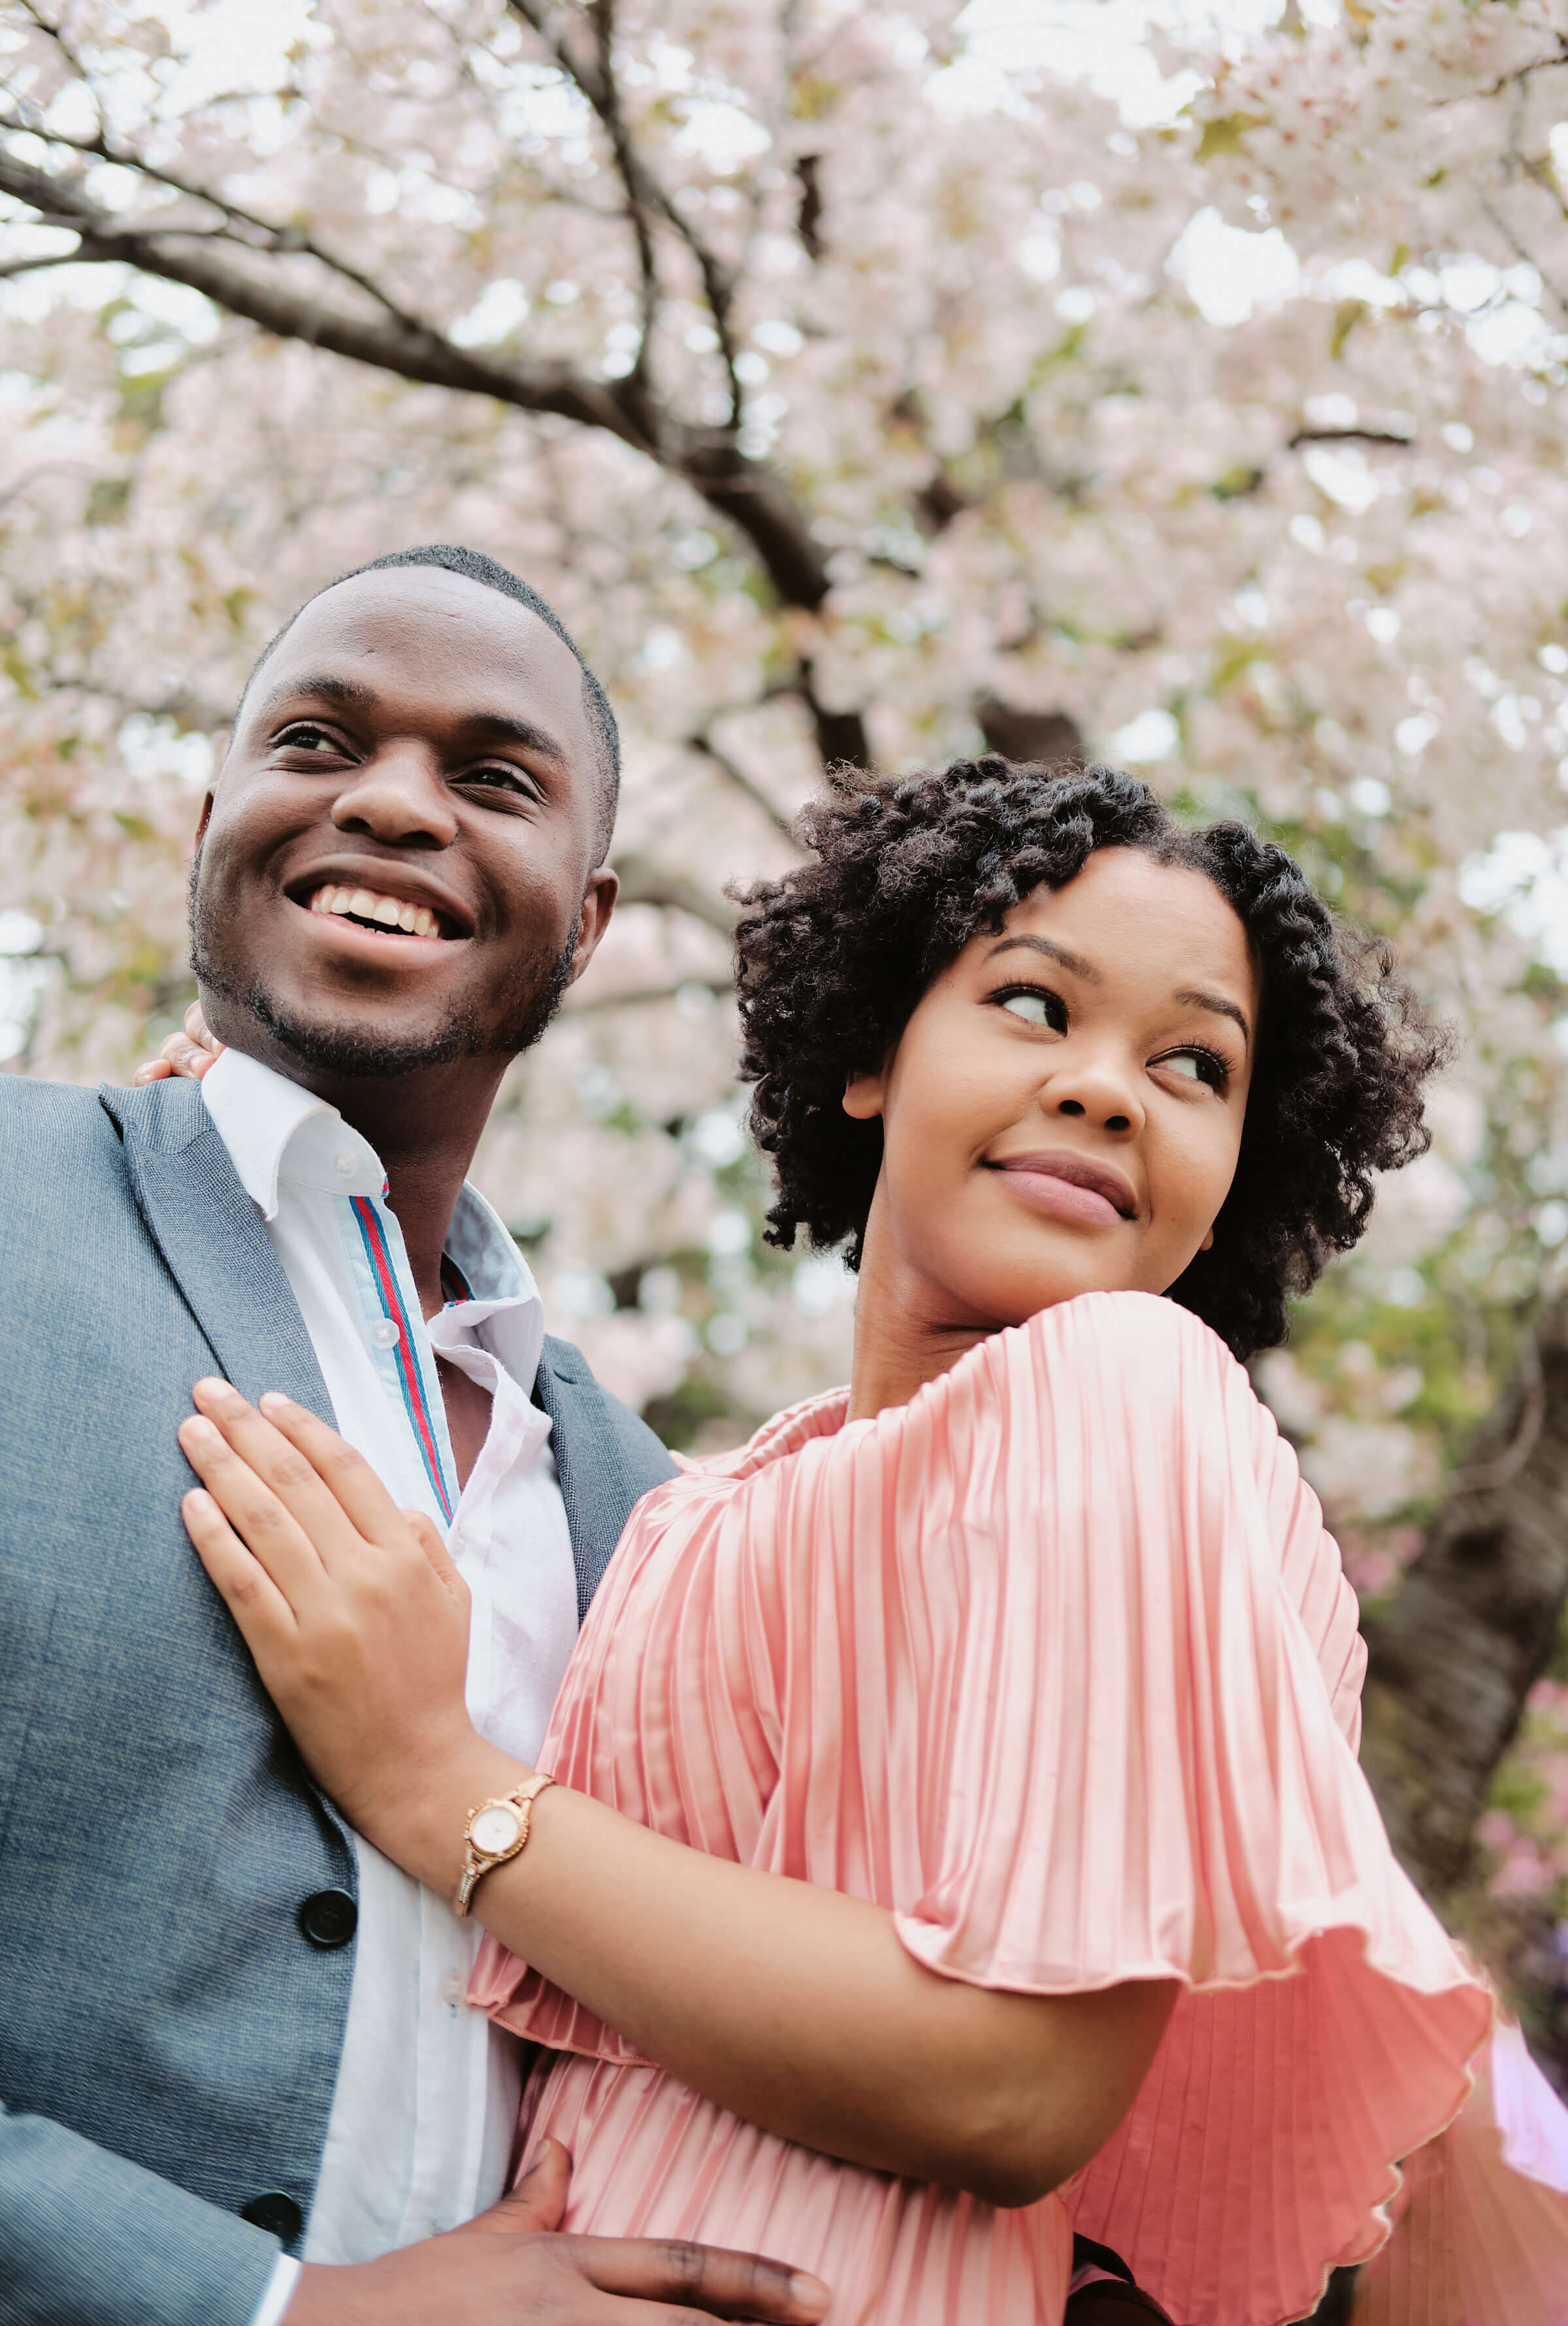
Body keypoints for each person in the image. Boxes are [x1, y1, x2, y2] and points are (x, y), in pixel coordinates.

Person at [167, 755, 1568, 2325]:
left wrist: (444, 1790)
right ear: (872, 1057)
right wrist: (264, 1180)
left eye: (1194, 1067)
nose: (1108, 1085)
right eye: (1037, 1005)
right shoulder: (714, 1496)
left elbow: (1013, 2089)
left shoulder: (1125, 1388)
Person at [0, 545, 829, 2326]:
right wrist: (276, 2312)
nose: (390, 804)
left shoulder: (641, 1502)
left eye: (491, 778)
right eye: (319, 741)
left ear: (587, 920)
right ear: (212, 824)